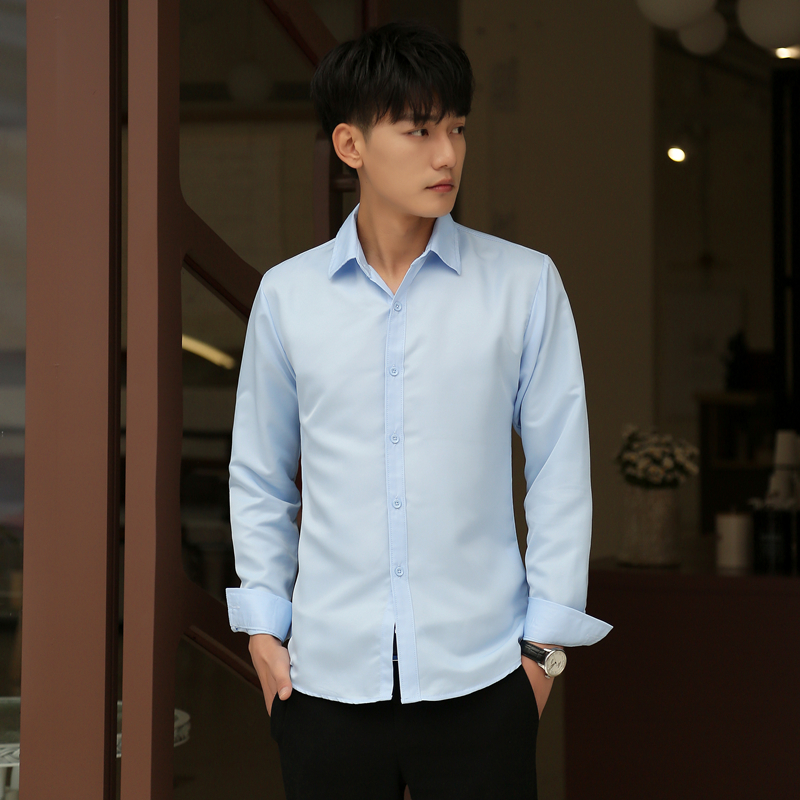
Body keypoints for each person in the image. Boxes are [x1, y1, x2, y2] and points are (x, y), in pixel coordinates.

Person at [226, 20, 611, 800]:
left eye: (457, 129)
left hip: (485, 681)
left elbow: (561, 473)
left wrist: (544, 655)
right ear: (350, 145)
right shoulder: (289, 297)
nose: (447, 155)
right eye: (419, 130)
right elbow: (260, 475)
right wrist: (264, 632)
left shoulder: (524, 286)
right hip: (323, 682)